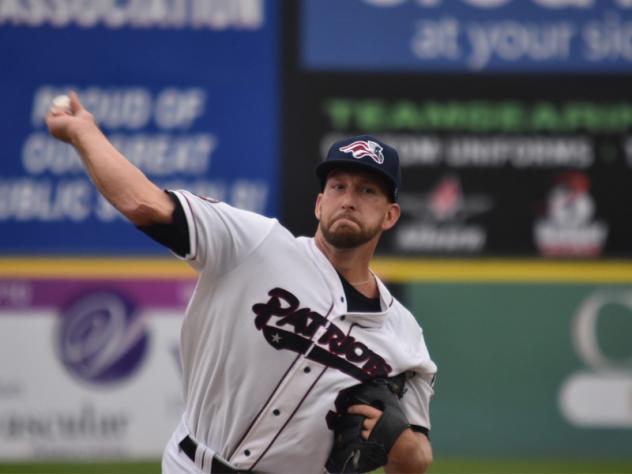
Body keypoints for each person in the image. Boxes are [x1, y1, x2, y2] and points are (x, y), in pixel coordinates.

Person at [46, 92, 437, 474]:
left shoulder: (404, 337)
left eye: (367, 190)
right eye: (339, 186)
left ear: (390, 215)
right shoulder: (255, 243)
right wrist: (85, 133)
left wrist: (402, 442)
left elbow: (417, 459)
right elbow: (144, 204)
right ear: (319, 203)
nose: (349, 200)